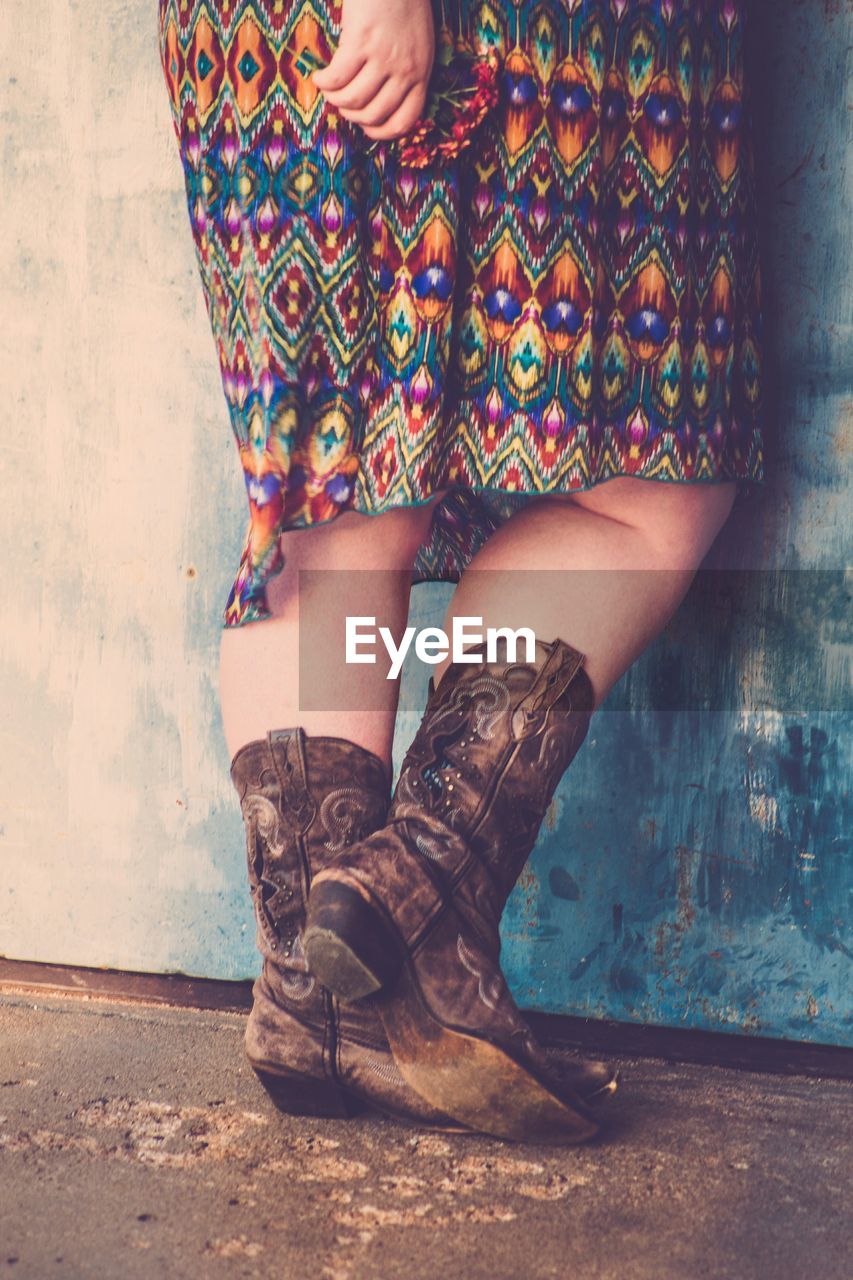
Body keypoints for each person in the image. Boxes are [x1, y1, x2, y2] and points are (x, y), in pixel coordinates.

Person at [157, 0, 765, 1142]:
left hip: (267, 39)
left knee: (337, 515)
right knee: (654, 485)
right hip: (514, 35)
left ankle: (319, 1002)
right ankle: (418, 892)